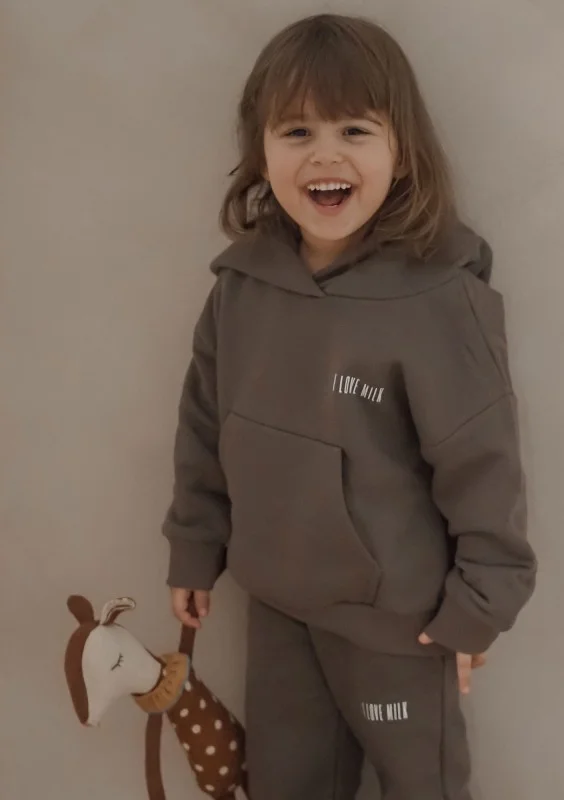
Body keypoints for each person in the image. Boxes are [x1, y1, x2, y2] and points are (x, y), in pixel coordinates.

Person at [161, 13, 537, 800]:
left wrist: (479, 607)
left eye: (355, 130)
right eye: (297, 131)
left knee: (421, 786)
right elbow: (204, 425)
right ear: (261, 150)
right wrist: (196, 545)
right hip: (278, 606)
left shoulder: (440, 300)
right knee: (286, 782)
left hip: (400, 629)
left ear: (402, 150)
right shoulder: (240, 288)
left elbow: (484, 463)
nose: (326, 155)